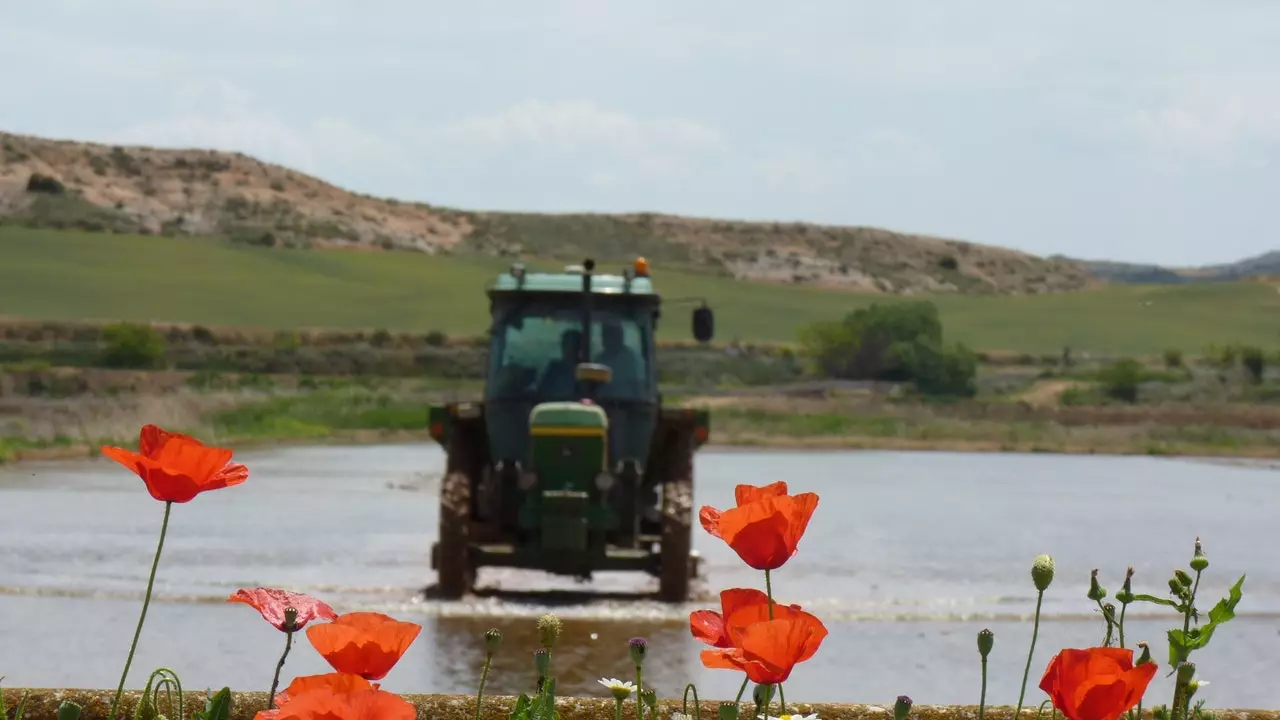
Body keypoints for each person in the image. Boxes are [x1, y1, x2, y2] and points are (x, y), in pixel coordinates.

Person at [595, 320, 643, 397]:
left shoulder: (629, 359)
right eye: (606, 335)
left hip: (627, 403)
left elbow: (637, 385)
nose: (609, 339)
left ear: (620, 337)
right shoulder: (599, 360)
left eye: (612, 335)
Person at [538, 328, 582, 397]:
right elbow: (542, 390)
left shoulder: (586, 369)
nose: (568, 348)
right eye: (566, 343)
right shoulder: (554, 369)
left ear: (579, 347)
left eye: (572, 344)